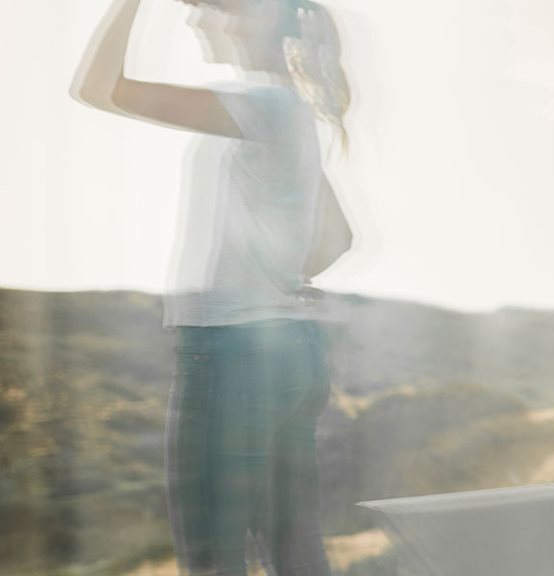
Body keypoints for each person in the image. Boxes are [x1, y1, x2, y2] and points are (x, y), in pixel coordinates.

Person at [72, 0, 353, 574]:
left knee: (211, 560)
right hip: (291, 353)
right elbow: (338, 237)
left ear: (257, 18)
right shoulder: (287, 110)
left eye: (213, 9)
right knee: (295, 556)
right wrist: (278, 281)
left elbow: (98, 88)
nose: (196, 19)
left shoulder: (262, 105)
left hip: (231, 355)